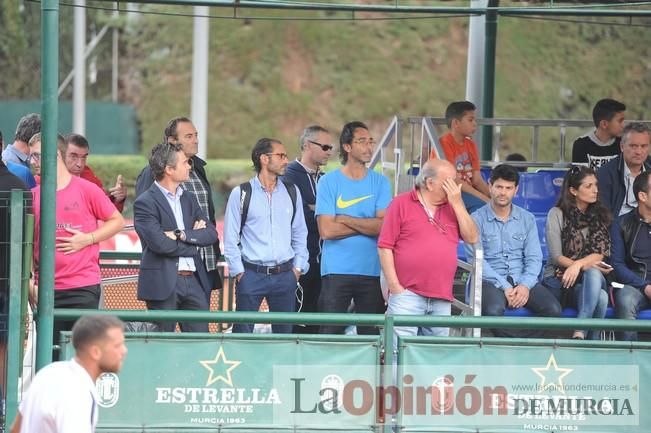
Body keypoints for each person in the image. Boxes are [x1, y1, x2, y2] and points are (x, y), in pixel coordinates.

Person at [31, 134, 125, 343]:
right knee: (51, 357)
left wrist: (87, 239)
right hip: (45, 291)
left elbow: (116, 221)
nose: (32, 162)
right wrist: (31, 286)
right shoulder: (34, 196)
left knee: (81, 354)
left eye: (36, 156)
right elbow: (26, 245)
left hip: (82, 287)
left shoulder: (87, 189)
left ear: (54, 155)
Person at [379, 159, 478, 338]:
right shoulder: (400, 203)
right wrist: (395, 287)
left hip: (442, 295)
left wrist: (457, 204)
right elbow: (385, 247)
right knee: (398, 353)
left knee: (436, 355)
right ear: (430, 183)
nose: (454, 187)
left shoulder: (453, 205)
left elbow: (472, 237)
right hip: (407, 294)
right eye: (448, 182)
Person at [224, 138, 308, 333]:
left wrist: (297, 269)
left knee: (284, 337)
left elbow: (299, 233)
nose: (286, 160)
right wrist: (240, 273)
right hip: (251, 275)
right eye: (281, 155)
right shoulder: (241, 194)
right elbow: (230, 238)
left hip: (285, 275)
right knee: (242, 336)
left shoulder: (291, 191)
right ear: (264, 159)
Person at [468, 164, 562, 338]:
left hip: (521, 278)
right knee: (493, 311)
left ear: (516, 190)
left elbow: (534, 257)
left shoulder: (527, 218)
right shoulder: (476, 219)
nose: (503, 193)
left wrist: (525, 285)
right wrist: (504, 286)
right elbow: (476, 260)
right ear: (490, 186)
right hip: (490, 280)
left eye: (508, 188)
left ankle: (520, 343)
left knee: (553, 310)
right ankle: (513, 344)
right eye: (499, 187)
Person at [316, 121, 391, 335]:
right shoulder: (329, 182)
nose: (369, 147)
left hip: (371, 271)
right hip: (335, 271)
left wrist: (345, 219)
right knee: (330, 333)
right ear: (347, 147)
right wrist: (368, 224)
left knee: (370, 336)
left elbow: (383, 227)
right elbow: (327, 231)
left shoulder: (381, 183)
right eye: (361, 142)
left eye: (370, 141)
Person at [134, 142, 218, 332]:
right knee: (162, 347)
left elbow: (210, 234)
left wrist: (181, 234)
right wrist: (194, 243)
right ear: (169, 169)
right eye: (185, 162)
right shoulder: (145, 202)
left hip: (194, 281)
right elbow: (160, 244)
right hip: (162, 284)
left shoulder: (189, 198)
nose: (190, 166)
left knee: (201, 346)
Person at [136, 117, 222, 291]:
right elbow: (148, 228)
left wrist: (182, 235)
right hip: (166, 268)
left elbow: (209, 225)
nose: (196, 140)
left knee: (198, 318)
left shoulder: (197, 169)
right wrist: (187, 241)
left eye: (196, 135)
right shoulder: (151, 173)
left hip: (203, 263)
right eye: (189, 136)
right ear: (172, 141)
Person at [10, 314, 127, 433]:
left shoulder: (50, 372)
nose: (124, 351)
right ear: (95, 352)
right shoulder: (77, 392)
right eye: (117, 346)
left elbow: (15, 429)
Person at [543, 166, 612, 340]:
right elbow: (556, 256)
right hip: (562, 280)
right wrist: (577, 266)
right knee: (602, 298)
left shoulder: (599, 215)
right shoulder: (556, 214)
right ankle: (592, 347)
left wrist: (578, 265)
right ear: (573, 190)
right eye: (588, 186)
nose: (595, 190)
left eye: (595, 185)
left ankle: (580, 329)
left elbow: (600, 253)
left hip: (586, 278)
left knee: (593, 272)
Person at [281, 125, 333, 333]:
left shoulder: (326, 179)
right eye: (325, 146)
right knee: (297, 325)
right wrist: (325, 214)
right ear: (308, 146)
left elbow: (324, 217)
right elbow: (298, 217)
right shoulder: (288, 176)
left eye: (331, 148)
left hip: (324, 265)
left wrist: (318, 211)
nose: (329, 151)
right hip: (299, 264)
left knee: (317, 325)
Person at [0, 156, 29, 422]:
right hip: (10, 282)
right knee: (6, 345)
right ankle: (5, 403)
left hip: (10, 283)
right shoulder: (18, 185)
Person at [429, 101, 490, 213]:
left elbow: (477, 179)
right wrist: (482, 197)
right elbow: (453, 180)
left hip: (466, 191)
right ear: (456, 123)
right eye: (470, 120)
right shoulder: (444, 144)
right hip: (448, 191)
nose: (475, 124)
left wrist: (492, 195)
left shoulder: (471, 145)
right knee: (482, 207)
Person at [611, 171, 651, 341]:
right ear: (642, 195)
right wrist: (645, 286)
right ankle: (630, 359)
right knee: (626, 300)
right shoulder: (622, 223)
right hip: (636, 286)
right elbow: (617, 265)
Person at [597, 122, 651, 217]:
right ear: (622, 146)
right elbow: (604, 216)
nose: (639, 152)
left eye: (643, 146)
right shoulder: (605, 174)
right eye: (633, 146)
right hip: (618, 227)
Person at [61, 133, 127, 212]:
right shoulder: (47, 179)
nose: (79, 164)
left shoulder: (89, 178)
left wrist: (118, 200)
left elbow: (107, 213)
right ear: (61, 155)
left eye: (83, 157)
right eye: (73, 157)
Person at [572, 98, 626, 169]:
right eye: (620, 121)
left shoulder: (625, 143)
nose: (623, 125)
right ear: (604, 124)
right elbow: (579, 178)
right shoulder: (581, 144)